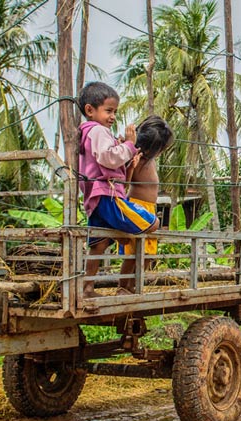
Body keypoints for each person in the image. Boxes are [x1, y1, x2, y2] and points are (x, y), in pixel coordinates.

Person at [76, 81, 173, 297]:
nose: (112, 116)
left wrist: (125, 150)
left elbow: (109, 158)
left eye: (114, 112)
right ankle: (124, 286)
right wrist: (128, 145)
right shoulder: (99, 131)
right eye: (108, 111)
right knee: (152, 224)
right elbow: (109, 158)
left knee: (98, 245)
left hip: (101, 197)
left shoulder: (93, 133)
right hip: (108, 196)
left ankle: (87, 287)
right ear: (90, 110)